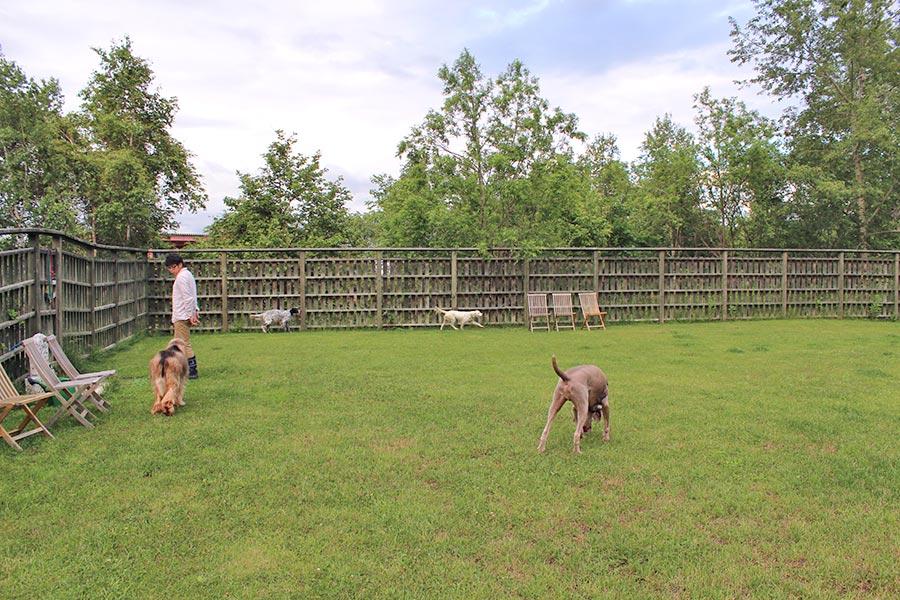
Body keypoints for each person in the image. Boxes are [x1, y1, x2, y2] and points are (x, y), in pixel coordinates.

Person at [165, 253, 200, 379]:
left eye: (173, 267)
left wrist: (191, 314)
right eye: (169, 268)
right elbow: (192, 296)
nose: (171, 270)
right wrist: (195, 311)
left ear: (180, 264)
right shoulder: (187, 275)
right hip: (184, 313)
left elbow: (188, 297)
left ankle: (192, 370)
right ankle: (177, 368)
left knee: (183, 343)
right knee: (178, 343)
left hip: (182, 315)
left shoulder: (182, 277)